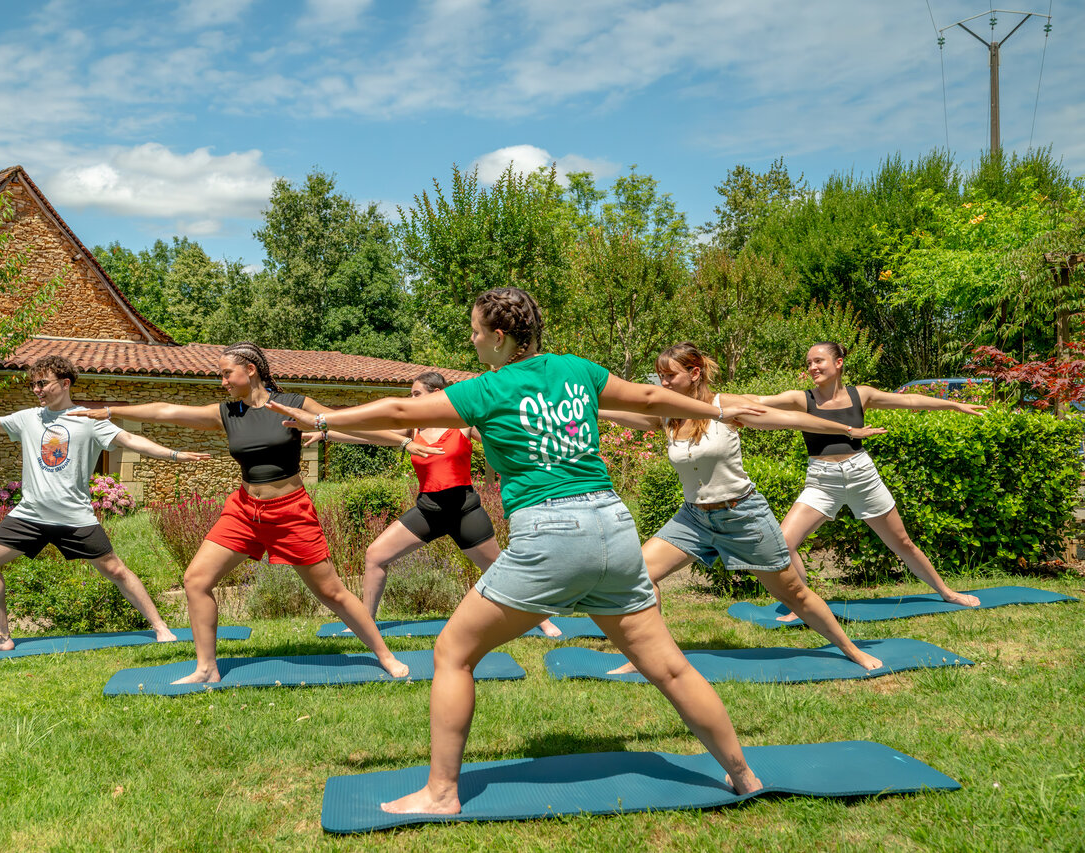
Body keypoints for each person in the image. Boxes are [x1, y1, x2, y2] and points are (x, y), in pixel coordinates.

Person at [269, 288, 766, 815]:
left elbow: (397, 408)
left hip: (552, 532)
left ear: (500, 337)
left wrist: (322, 421)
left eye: (476, 330)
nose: (472, 338)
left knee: (452, 654)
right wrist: (716, 411)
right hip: (613, 525)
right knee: (669, 668)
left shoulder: (487, 388)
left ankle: (440, 794)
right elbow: (647, 400)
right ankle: (744, 775)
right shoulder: (577, 369)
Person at [70, 342, 434, 683]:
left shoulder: (292, 403)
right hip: (244, 510)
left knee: (332, 593)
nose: (223, 381)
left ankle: (383, 655)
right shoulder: (227, 413)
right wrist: (111, 411)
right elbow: (168, 412)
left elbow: (344, 421)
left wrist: (403, 441)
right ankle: (206, 668)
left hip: (291, 511)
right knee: (196, 580)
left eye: (227, 374)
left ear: (251, 370)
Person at [600, 343, 886, 674]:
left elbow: (789, 418)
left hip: (742, 516)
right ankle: (649, 658)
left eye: (670, 376)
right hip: (693, 518)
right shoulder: (668, 414)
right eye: (660, 377)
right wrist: (588, 408)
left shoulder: (725, 406)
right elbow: (625, 415)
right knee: (640, 576)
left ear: (694, 374)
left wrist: (847, 429)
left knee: (794, 594)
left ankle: (851, 650)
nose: (663, 384)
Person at [0, 355, 210, 653]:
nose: (37, 390)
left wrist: (175, 454)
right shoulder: (27, 418)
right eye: (33, 384)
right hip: (30, 514)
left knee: (115, 570)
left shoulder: (88, 419)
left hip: (74, 516)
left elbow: (130, 441)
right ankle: (0, 636)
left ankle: (160, 627)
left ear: (65, 383)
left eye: (43, 383)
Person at [318, 371, 563, 638]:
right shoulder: (412, 428)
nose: (411, 400)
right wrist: (326, 435)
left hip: (464, 512)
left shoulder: (463, 423)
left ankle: (543, 619)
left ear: (435, 395)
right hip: (428, 512)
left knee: (501, 569)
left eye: (416, 394)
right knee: (375, 556)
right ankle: (366, 622)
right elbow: (369, 435)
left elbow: (502, 442)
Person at [755, 342, 984, 621]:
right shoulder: (802, 399)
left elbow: (909, 400)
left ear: (838, 362)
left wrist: (954, 405)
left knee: (902, 543)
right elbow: (757, 401)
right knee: (783, 544)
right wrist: (708, 402)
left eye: (819, 361)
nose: (812, 367)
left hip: (862, 476)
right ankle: (801, 603)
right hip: (822, 481)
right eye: (809, 363)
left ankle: (947, 593)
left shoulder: (860, 394)